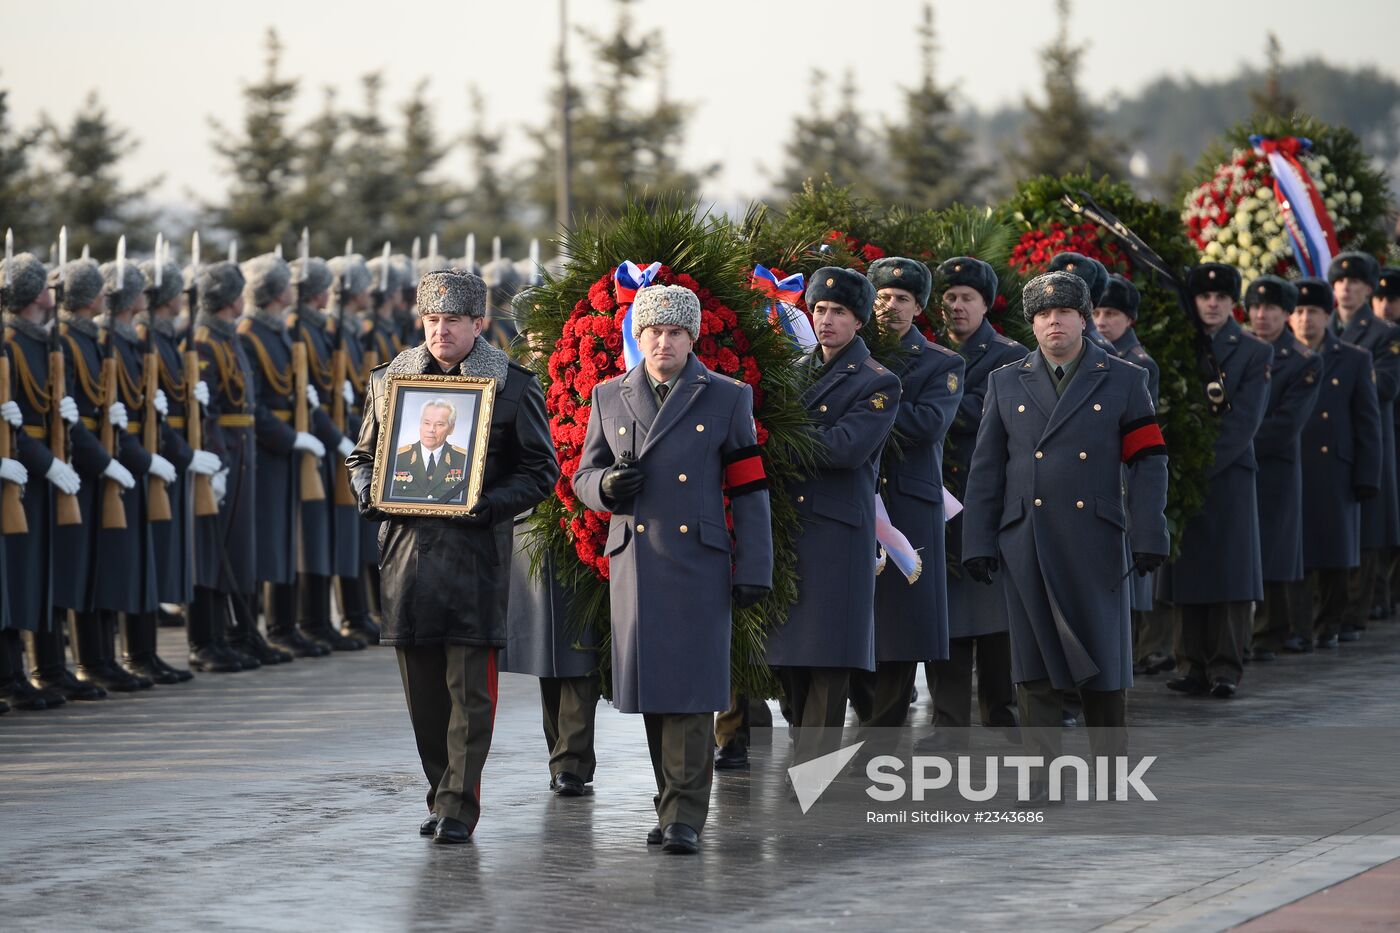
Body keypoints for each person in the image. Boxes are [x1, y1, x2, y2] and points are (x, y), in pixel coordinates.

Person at [348, 269, 557, 845]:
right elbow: (362, 456)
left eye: (453, 321)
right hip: (407, 558)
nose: (441, 331)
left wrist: (488, 504)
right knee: (425, 700)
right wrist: (369, 492)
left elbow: (541, 471)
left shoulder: (512, 386)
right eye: (432, 320)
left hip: (474, 558)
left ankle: (460, 806)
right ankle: (441, 790)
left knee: (471, 693)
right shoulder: (392, 381)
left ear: (478, 323)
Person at [574, 283, 772, 854]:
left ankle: (686, 814)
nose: (664, 341)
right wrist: (606, 487)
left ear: (692, 338)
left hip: (698, 561)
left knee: (689, 689)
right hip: (635, 559)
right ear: (639, 338)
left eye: (676, 332)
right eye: (654, 331)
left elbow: (750, 487)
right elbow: (585, 474)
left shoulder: (727, 396)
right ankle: (670, 805)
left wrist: (753, 564)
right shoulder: (608, 395)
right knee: (654, 690)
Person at [961, 271, 1168, 794]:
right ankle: (1041, 776)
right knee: (1032, 663)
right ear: (1032, 324)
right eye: (1043, 315)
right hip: (1025, 537)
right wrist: (978, 541)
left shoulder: (1123, 378)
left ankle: (1109, 770)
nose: (1055, 322)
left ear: (1083, 318)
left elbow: (1149, 461)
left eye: (1065, 313)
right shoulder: (1006, 381)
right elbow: (987, 469)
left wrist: (1149, 533)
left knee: (1103, 657)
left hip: (1096, 538)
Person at [764, 266, 899, 766]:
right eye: (819, 309)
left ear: (859, 320)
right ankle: (806, 757)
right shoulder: (794, 370)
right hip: (792, 530)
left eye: (838, 311)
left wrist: (775, 442)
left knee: (828, 659)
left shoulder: (878, 381)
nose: (825, 320)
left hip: (838, 535)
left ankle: (814, 769)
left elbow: (844, 448)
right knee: (791, 661)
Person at [848, 257, 963, 735]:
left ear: (918, 307)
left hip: (907, 503)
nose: (888, 306)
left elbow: (928, 423)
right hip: (854, 499)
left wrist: (864, 414)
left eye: (900, 299)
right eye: (880, 297)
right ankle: (865, 716)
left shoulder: (942, 362)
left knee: (899, 624)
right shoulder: (851, 354)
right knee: (855, 613)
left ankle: (883, 733)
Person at [1158, 263, 1272, 699]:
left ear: (1232, 303)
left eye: (1221, 297)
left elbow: (1243, 422)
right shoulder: (1181, 345)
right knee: (1188, 570)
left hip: (1227, 476)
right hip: (1185, 470)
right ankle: (1190, 663)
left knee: (1229, 574)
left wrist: (1197, 465)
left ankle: (1225, 666)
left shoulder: (1253, 351)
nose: (1212, 303)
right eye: (1205, 297)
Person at [927, 257, 1024, 741]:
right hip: (936, 497)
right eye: (949, 297)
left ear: (986, 303)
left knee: (992, 614)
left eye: (967, 297)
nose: (957, 307)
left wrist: (926, 402)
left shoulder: (1009, 355)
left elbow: (983, 415)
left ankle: (1001, 713)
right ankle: (947, 721)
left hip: (985, 497)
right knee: (943, 612)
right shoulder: (927, 351)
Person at [238, 253, 338, 658]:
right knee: (267, 541)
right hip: (266, 449)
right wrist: (290, 437)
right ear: (278, 292)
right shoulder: (250, 334)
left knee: (285, 537)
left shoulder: (276, 330)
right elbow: (254, 402)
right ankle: (272, 626)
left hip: (286, 444)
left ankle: (285, 624)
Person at [1285, 278, 1382, 650]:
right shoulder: (1279, 355)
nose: (1305, 319)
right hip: (1294, 464)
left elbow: (1368, 424)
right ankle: (1298, 627)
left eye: (1313, 312)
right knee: (1297, 551)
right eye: (1298, 311)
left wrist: (1367, 476)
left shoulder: (1354, 358)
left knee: (1335, 553)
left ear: (1328, 316)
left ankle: (1330, 623)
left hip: (1335, 468)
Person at [187, 261, 264, 672]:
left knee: (235, 549)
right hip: (222, 453)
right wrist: (215, 461)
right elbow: (207, 411)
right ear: (229, 298)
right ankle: (206, 640)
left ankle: (238, 633)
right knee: (210, 550)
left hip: (241, 451)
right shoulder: (204, 340)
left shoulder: (225, 335)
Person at [286, 256, 363, 652]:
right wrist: (331, 434)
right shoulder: (298, 330)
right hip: (308, 438)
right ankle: (309, 620)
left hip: (328, 432)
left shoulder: (324, 330)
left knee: (325, 534)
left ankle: (325, 619)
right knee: (306, 536)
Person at [1244, 276, 1321, 661]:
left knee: (1273, 548)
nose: (1261, 315)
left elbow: (1287, 424)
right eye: (1256, 307)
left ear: (1287, 314)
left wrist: (1236, 439)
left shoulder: (1304, 361)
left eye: (1271, 308)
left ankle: (1270, 631)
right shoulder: (1238, 351)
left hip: (1273, 465)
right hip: (1239, 465)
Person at [1328, 252, 1400, 640]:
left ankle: (1359, 609)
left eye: (1354, 283)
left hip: (1367, 439)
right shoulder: (1328, 328)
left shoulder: (1384, 333)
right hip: (1331, 440)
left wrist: (1346, 378)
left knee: (1369, 528)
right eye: (1340, 283)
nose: (1346, 289)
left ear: (1368, 289)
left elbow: (1387, 386)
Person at [0, 252, 59, 709]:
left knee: (33, 573)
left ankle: (35, 670)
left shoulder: (37, 340)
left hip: (33, 464)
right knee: (13, 576)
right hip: (22, 465)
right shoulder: (12, 343)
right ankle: (12, 674)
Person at [389, 399, 472, 502]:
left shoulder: (465, 461)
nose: (431, 429)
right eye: (427, 423)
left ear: (451, 428)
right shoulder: (397, 458)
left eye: (439, 424)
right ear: (420, 425)